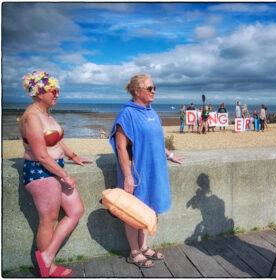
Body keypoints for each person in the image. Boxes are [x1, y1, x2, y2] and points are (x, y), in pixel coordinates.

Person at [19, 71, 92, 277]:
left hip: (55, 167)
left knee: (76, 210)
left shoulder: (47, 114)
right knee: (48, 220)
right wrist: (65, 176)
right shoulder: (31, 116)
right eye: (54, 91)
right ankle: (47, 269)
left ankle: (47, 256)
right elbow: (41, 155)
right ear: (39, 92)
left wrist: (73, 155)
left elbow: (56, 139)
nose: (57, 95)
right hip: (40, 172)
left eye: (57, 91)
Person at [109, 74, 184, 269]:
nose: (154, 91)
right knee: (134, 213)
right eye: (149, 88)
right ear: (136, 90)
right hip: (138, 172)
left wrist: (169, 155)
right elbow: (120, 147)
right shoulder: (127, 113)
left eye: (154, 87)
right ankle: (134, 251)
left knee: (150, 209)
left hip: (155, 170)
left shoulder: (151, 111)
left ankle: (144, 246)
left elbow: (156, 140)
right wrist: (127, 177)